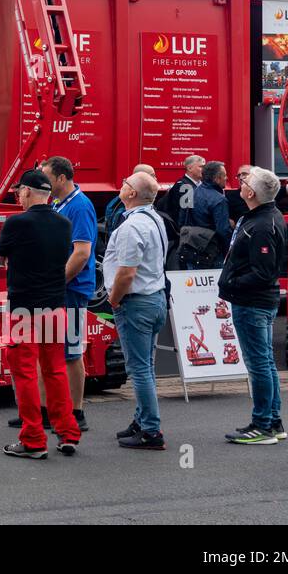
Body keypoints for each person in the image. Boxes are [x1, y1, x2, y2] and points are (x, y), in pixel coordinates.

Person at [0, 169, 83, 459]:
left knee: (25, 372)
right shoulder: (64, 223)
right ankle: (68, 432)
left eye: (19, 192)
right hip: (56, 307)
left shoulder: (16, 223)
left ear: (29, 192)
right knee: (55, 370)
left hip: (24, 309)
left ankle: (33, 438)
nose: (18, 197)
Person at [218, 167, 288, 445]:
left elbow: (263, 272)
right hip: (256, 301)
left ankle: (263, 425)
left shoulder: (261, 224)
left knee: (259, 364)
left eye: (244, 181)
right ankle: (273, 420)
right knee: (265, 362)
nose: (240, 183)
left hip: (252, 303)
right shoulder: (261, 217)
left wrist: (232, 283)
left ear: (251, 192)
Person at [104, 171, 169, 450]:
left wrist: (115, 299)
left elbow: (127, 272)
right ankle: (142, 420)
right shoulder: (154, 219)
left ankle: (151, 431)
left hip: (137, 301)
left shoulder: (132, 226)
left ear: (131, 194)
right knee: (146, 366)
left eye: (125, 183)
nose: (121, 185)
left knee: (139, 369)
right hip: (155, 297)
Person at [41, 156, 98, 433]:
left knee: (71, 353)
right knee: (51, 350)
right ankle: (46, 410)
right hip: (58, 288)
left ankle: (77, 411)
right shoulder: (57, 204)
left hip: (72, 290)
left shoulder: (80, 206)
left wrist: (58, 280)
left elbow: (82, 252)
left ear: (61, 178)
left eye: (47, 177)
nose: (44, 182)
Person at [180, 160, 231, 268]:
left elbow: (182, 220)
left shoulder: (192, 193)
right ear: (217, 179)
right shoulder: (219, 200)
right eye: (225, 175)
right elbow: (223, 230)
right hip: (212, 253)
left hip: (191, 248)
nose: (227, 178)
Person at [105, 164, 156, 234]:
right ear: (142, 178)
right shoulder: (132, 220)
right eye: (152, 175)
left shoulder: (118, 202)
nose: (156, 179)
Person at [157, 154, 204, 221]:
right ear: (189, 168)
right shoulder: (184, 187)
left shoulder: (203, 184)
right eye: (201, 166)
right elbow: (186, 216)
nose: (204, 169)